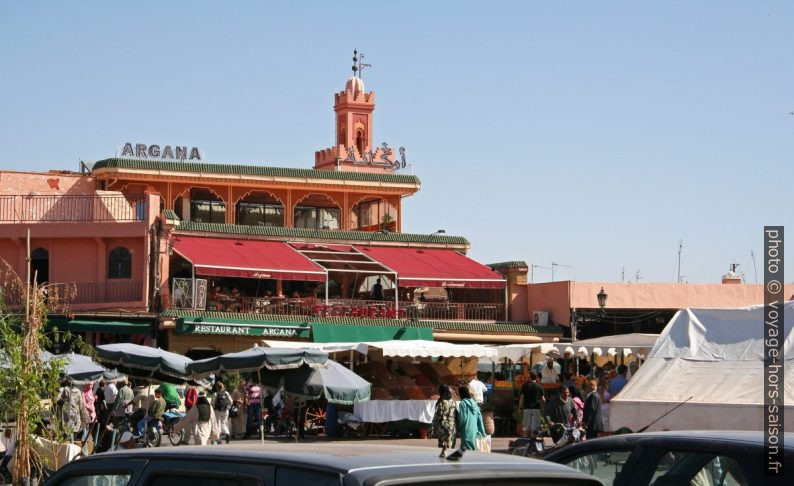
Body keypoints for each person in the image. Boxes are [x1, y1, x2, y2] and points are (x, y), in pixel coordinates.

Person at [446, 386, 485, 461]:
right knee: (473, 449)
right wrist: (482, 431)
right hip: (474, 430)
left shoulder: (463, 403)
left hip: (466, 429)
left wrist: (458, 428)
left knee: (466, 451)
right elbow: (479, 418)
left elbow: (463, 418)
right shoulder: (475, 403)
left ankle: (468, 466)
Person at [432, 384, 457, 458]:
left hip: (442, 427)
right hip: (452, 427)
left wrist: (433, 427)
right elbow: (455, 414)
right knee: (450, 445)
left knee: (442, 446)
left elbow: (437, 416)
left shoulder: (441, 402)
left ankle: (443, 460)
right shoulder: (453, 401)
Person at [518, 371, 545, 439]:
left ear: (529, 377)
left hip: (527, 409)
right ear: (536, 377)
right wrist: (542, 408)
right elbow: (543, 399)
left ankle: (526, 444)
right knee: (535, 429)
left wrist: (520, 408)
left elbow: (522, 398)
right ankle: (533, 444)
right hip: (536, 409)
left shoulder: (525, 385)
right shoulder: (539, 386)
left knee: (527, 428)